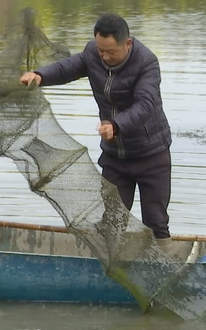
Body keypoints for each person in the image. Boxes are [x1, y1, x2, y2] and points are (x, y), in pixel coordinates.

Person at [19, 13, 174, 251]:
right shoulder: (93, 53)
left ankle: (166, 270)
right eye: (101, 50)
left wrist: (116, 125)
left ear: (128, 44)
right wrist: (40, 75)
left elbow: (145, 104)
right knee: (112, 221)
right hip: (115, 158)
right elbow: (68, 67)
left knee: (156, 222)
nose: (104, 56)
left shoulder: (147, 62)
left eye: (111, 52)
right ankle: (110, 271)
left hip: (151, 155)